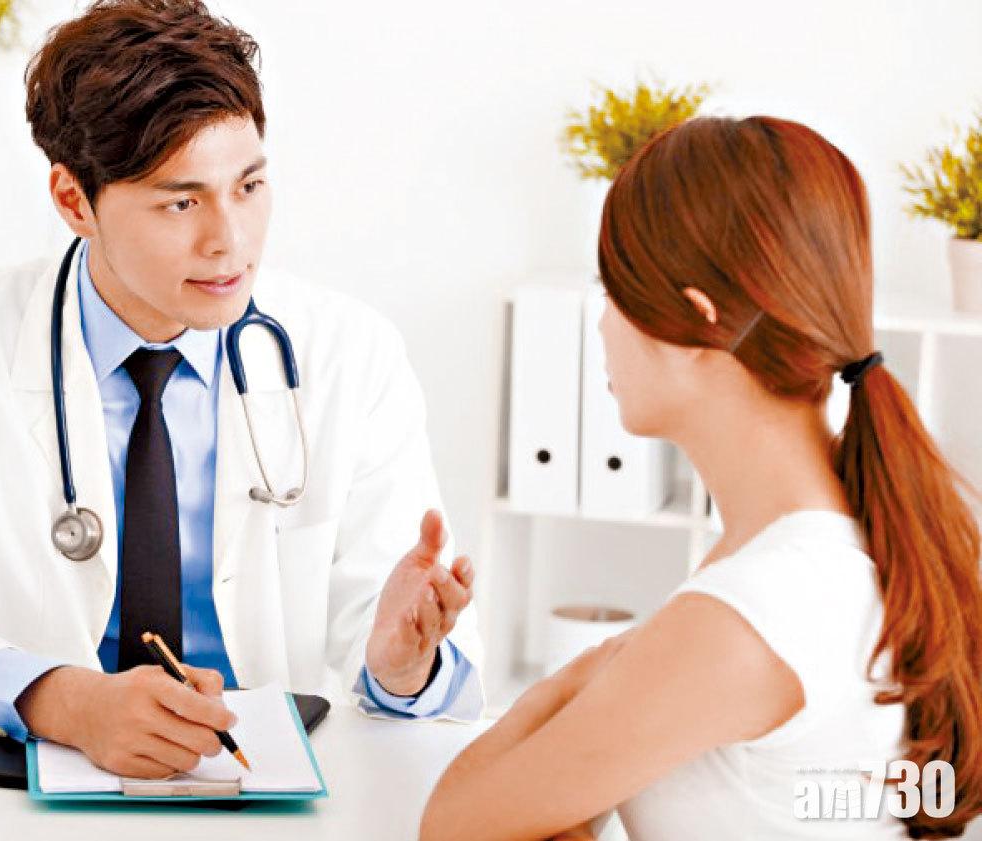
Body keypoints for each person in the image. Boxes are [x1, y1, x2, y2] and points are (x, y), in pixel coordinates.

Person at [0, 0, 483, 779]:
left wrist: (401, 666)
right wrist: (67, 701)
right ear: (74, 200)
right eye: (181, 201)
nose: (229, 241)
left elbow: (393, 639)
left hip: (264, 790)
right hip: (29, 783)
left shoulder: (351, 354)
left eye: (249, 186)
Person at [420, 116, 982, 840]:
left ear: (696, 321)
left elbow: (452, 823)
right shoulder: (824, 548)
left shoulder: (749, 614)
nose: (603, 326)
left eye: (613, 292)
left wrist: (591, 672)